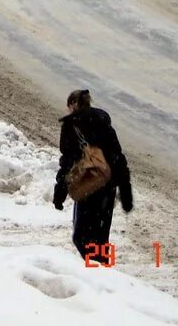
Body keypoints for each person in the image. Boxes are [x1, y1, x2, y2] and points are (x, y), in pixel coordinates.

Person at [53, 89, 133, 263]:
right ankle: (104, 271)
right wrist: (126, 193)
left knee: (81, 237)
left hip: (88, 185)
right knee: (101, 238)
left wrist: (59, 194)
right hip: (107, 186)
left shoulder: (71, 127)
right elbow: (117, 157)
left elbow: (67, 163)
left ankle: (96, 273)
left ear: (73, 105)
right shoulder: (103, 122)